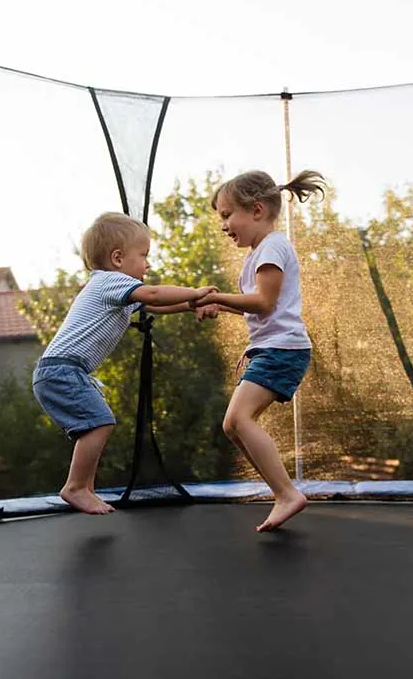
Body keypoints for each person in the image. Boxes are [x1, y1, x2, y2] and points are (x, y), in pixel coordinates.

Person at [33, 212, 216, 515]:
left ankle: (84, 488)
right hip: (62, 370)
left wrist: (190, 305)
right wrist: (196, 292)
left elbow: (156, 303)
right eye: (143, 255)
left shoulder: (113, 288)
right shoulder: (109, 282)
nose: (148, 264)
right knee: (101, 423)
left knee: (94, 426)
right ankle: (76, 487)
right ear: (117, 258)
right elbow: (155, 293)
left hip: (62, 371)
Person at [194, 170, 326, 532]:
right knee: (232, 425)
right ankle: (282, 492)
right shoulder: (257, 254)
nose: (223, 225)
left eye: (226, 215)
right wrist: (221, 307)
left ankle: (287, 494)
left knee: (238, 420)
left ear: (255, 210)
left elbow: (264, 302)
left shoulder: (273, 246)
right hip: (271, 349)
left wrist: (217, 296)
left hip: (284, 350)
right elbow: (261, 307)